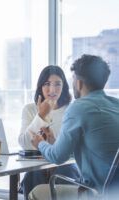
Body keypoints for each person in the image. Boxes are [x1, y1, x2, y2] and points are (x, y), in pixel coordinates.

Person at [28, 54, 119, 200]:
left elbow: (57, 157)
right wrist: (54, 142)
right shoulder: (116, 104)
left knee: (36, 192)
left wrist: (40, 143)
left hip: (96, 193)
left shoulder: (78, 108)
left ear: (79, 83)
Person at [18, 65, 80, 200]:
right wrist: (40, 115)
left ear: (64, 87)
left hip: (65, 165)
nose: (52, 90)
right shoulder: (30, 109)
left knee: (65, 170)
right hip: (38, 166)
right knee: (34, 173)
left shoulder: (72, 109)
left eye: (58, 84)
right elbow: (25, 143)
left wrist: (53, 143)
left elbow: (73, 150)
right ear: (40, 86)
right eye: (47, 84)